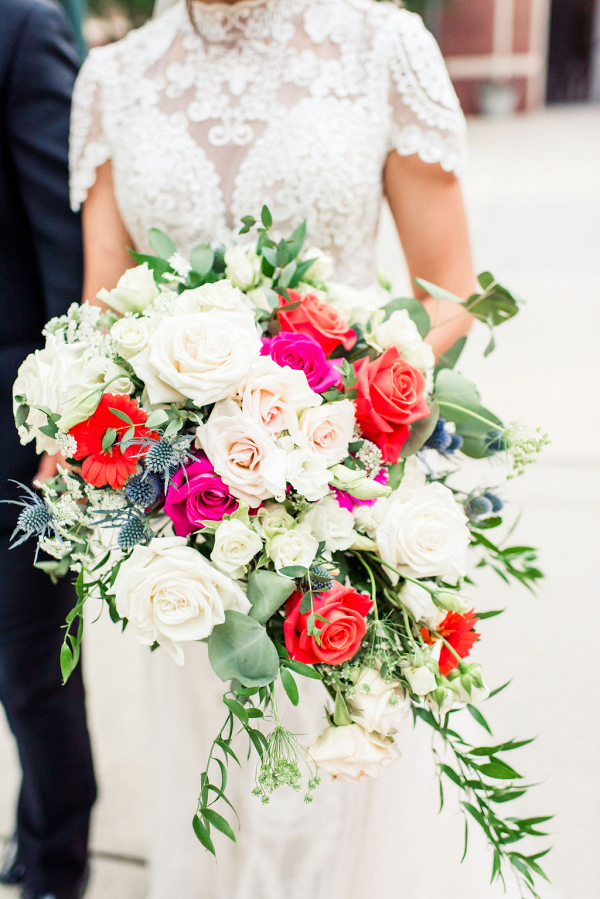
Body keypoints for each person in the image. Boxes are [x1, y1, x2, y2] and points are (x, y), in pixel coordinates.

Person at [70, 1, 485, 896]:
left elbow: (451, 289)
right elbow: (103, 306)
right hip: (186, 521)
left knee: (338, 774)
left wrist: (348, 393)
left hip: (344, 501)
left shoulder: (383, 47)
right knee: (211, 778)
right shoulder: (113, 79)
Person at [0, 1, 97, 897]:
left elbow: (70, 254)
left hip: (10, 420)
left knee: (32, 672)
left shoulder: (21, 28)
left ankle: (54, 862)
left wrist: (67, 422)